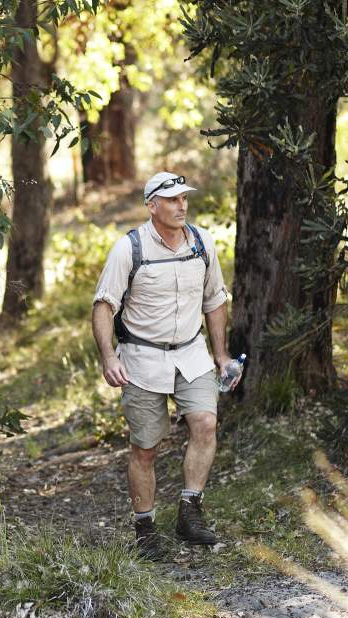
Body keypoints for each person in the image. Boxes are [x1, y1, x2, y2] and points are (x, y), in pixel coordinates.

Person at [91, 171, 237, 560]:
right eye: (171, 199)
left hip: (191, 353)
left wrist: (221, 355)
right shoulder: (130, 248)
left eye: (184, 198)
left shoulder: (202, 242)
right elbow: (104, 306)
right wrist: (109, 357)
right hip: (142, 358)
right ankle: (145, 529)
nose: (181, 205)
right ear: (151, 205)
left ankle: (190, 512)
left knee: (205, 423)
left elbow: (215, 300)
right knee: (146, 448)